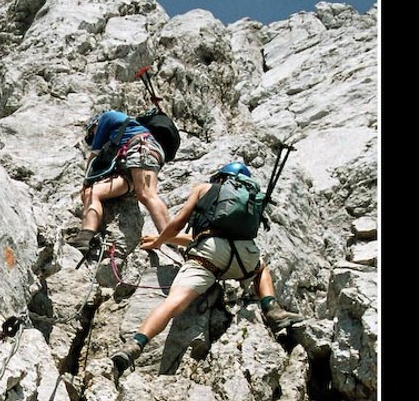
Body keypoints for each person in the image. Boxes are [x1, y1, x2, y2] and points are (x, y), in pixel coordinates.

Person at [111, 161, 303, 375]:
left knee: (174, 302)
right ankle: (272, 309)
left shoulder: (204, 189)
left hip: (208, 257)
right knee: (260, 269)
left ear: (220, 177)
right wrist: (161, 239)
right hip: (244, 256)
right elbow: (209, 237)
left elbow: (179, 225)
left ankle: (135, 345)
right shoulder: (248, 200)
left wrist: (159, 242)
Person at [69, 111, 170, 252]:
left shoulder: (106, 118)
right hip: (131, 168)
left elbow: (93, 157)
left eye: (93, 133)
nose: (95, 137)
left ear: (95, 124)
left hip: (141, 148)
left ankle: (171, 239)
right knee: (91, 193)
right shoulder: (117, 137)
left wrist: (86, 181)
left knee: (147, 194)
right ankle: (86, 236)